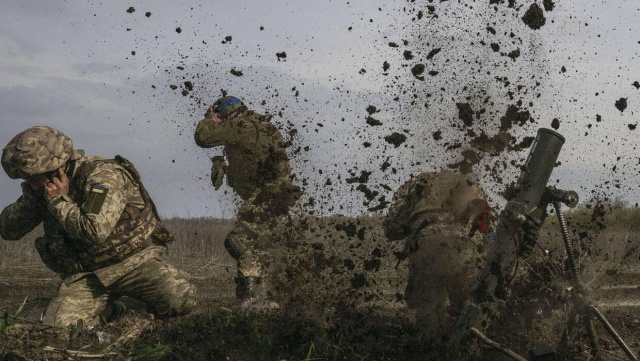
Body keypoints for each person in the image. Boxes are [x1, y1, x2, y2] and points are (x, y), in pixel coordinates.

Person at [0, 126, 196, 328]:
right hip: (88, 275)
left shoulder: (104, 176)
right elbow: (8, 230)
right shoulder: (45, 188)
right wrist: (32, 199)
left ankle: (133, 304)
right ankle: (115, 309)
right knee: (61, 326)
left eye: (33, 176)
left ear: (56, 168)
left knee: (179, 298)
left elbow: (95, 230)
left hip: (133, 264)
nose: (30, 181)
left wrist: (59, 202)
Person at [194, 95, 301, 308]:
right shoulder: (260, 125)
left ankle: (251, 298)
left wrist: (209, 120)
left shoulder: (242, 125)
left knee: (239, 241)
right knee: (262, 246)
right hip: (275, 197)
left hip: (268, 197)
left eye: (220, 115)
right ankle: (274, 298)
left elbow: (203, 138)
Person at [383, 171, 493, 337]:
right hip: (466, 246)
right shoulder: (471, 184)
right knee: (472, 307)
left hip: (426, 243)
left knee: (427, 309)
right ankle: (471, 346)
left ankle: (430, 346)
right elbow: (489, 231)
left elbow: (391, 227)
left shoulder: (418, 182)